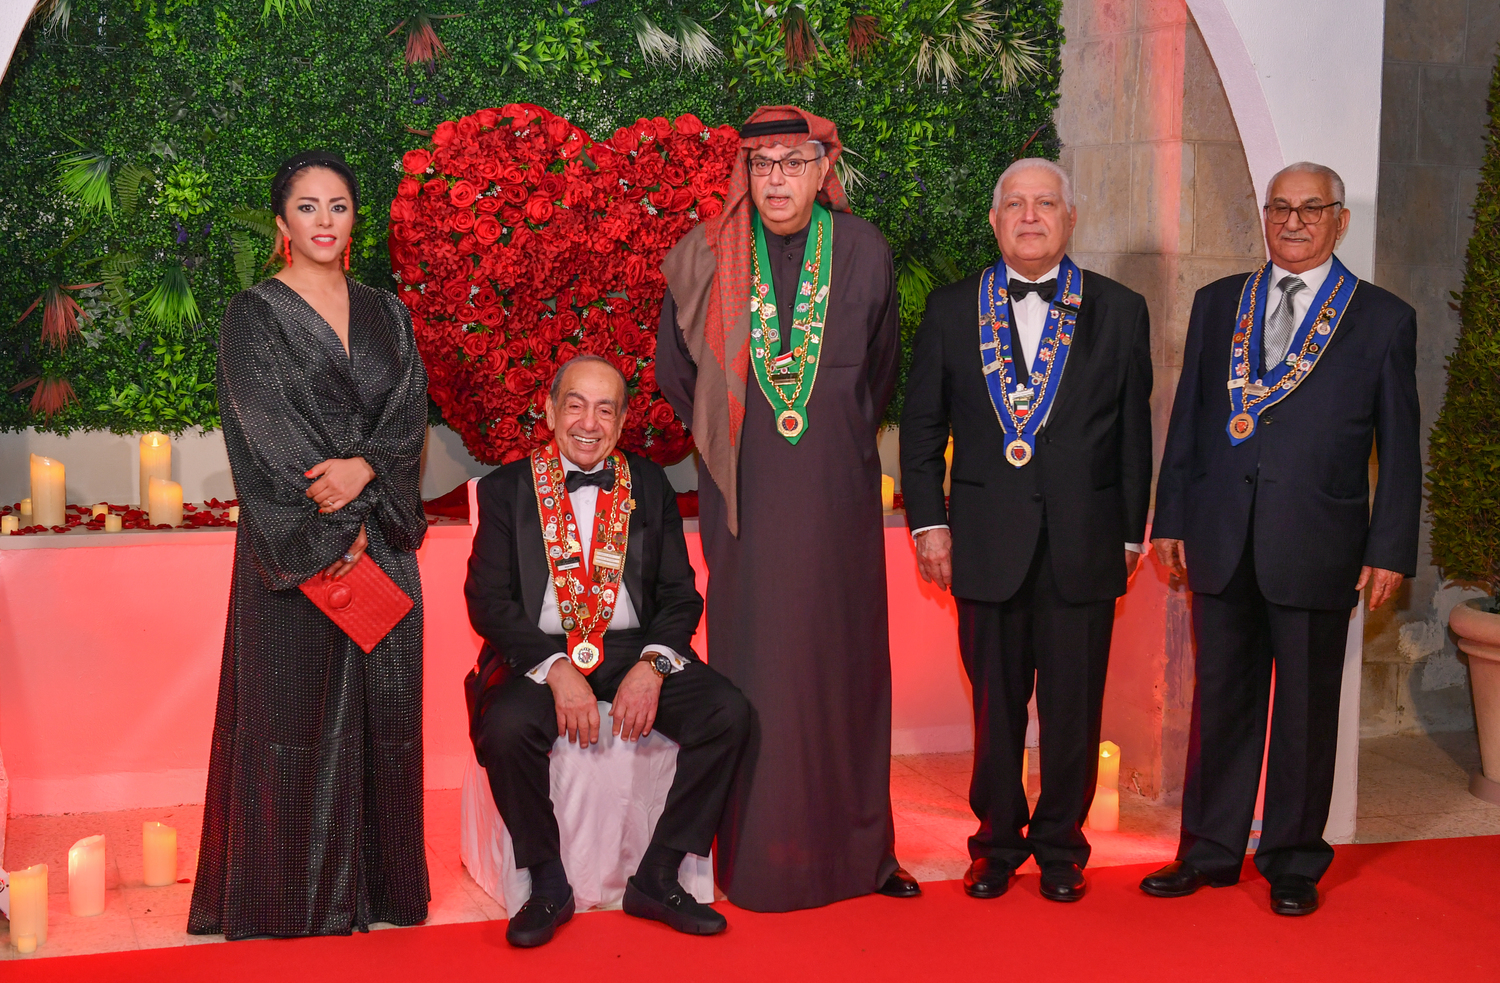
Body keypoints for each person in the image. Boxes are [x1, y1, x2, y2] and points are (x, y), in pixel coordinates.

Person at [656, 105, 917, 912]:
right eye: (761, 162)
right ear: (744, 171)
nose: (776, 178)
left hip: (838, 495)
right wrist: (736, 433)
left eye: (793, 162)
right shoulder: (706, 254)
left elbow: (879, 370)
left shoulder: (865, 249)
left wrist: (828, 429)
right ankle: (761, 854)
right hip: (749, 498)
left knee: (845, 666)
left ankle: (861, 852)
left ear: (821, 169)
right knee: (758, 666)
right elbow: (676, 373)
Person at [1141, 162, 1420, 915]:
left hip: (1319, 543)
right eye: (1280, 208)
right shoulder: (1218, 303)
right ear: (1264, 216)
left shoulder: (1382, 318)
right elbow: (1190, 419)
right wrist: (1172, 517)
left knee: (1304, 712)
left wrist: (1390, 547)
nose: (1293, 222)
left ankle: (1294, 859)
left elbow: (1400, 448)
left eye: (1311, 208)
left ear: (1340, 221)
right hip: (1221, 535)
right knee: (1221, 705)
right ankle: (1208, 850)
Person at [189, 151, 431, 938]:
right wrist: (334, 525)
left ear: (355, 218)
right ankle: (289, 899)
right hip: (298, 552)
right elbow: (262, 432)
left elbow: (409, 412)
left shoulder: (388, 313)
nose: (324, 221)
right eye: (307, 207)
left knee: (386, 718)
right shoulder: (252, 315)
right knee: (290, 722)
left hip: (382, 545)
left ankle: (380, 893)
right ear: (282, 222)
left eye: (338, 206)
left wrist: (367, 470)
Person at [900, 158, 1153, 903]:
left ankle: (1062, 846)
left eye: (1046, 203)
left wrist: (1131, 535)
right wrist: (929, 524)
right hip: (983, 542)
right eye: (1016, 204)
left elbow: (1133, 434)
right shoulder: (952, 309)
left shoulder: (1121, 309)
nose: (1031, 216)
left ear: (1071, 218)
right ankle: (996, 844)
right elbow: (922, 430)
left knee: (1074, 710)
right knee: (996, 708)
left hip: (1086, 541)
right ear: (995, 220)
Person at [465, 356, 751, 947]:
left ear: (621, 422)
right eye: (575, 405)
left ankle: (659, 874)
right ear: (550, 412)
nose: (589, 422)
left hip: (632, 648)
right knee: (508, 726)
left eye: (605, 409)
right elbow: (487, 602)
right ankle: (548, 882)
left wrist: (653, 664)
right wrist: (555, 668)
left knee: (727, 712)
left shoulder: (650, 485)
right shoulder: (504, 490)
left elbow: (680, 595)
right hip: (542, 651)